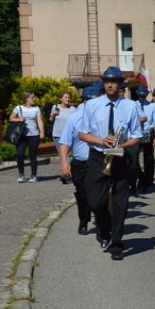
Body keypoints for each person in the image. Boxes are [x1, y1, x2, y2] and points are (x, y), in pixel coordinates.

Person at [77, 66, 142, 261]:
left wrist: (123, 143)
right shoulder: (92, 105)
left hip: (121, 156)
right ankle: (103, 230)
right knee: (96, 201)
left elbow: (137, 135)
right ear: (103, 83)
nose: (110, 84)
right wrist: (100, 140)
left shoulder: (130, 106)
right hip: (99, 156)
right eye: (107, 81)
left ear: (120, 84)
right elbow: (82, 133)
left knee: (121, 202)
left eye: (114, 81)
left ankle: (117, 244)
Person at [58, 86, 99, 235]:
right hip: (80, 163)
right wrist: (64, 163)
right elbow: (65, 142)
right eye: (91, 101)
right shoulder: (74, 117)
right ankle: (84, 220)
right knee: (82, 194)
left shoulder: (103, 116)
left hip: (99, 162)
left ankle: (101, 223)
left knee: (98, 194)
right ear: (85, 101)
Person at [9, 91, 45, 183]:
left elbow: (39, 121)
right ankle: (21, 175)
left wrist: (42, 132)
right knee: (20, 154)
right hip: (21, 135)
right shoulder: (18, 108)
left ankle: (33, 176)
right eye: (32, 98)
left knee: (32, 155)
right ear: (26, 99)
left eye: (34, 97)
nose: (34, 99)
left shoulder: (36, 109)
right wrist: (18, 119)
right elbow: (11, 118)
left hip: (34, 134)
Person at [133, 85, 155, 193]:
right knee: (134, 159)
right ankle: (141, 177)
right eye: (140, 96)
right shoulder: (133, 105)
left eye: (143, 96)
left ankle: (148, 181)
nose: (141, 98)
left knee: (148, 159)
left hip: (148, 133)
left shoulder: (152, 106)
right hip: (136, 134)